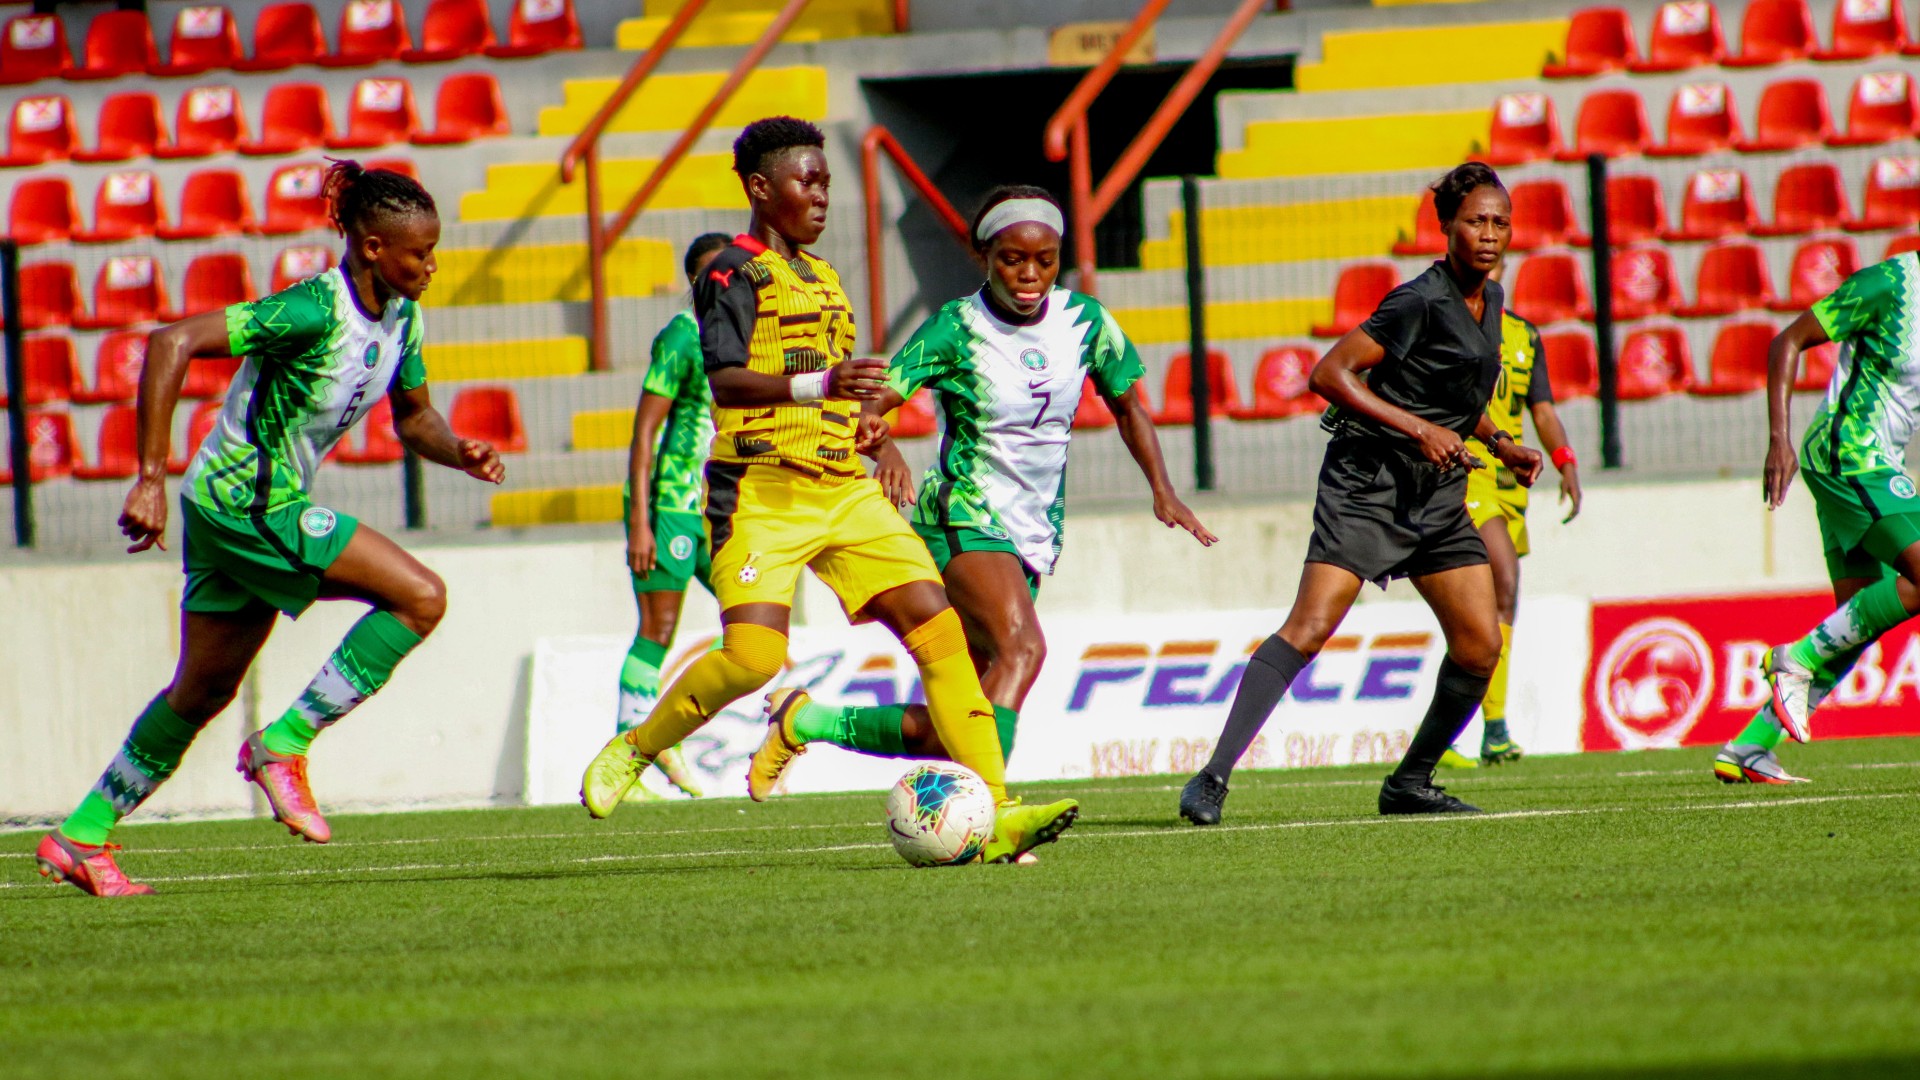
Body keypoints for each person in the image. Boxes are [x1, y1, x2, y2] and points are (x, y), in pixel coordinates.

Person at [578, 117, 1079, 863]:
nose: (820, 196)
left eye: (826, 182)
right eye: (805, 182)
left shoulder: (826, 280)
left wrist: (887, 443)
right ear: (759, 188)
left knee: (941, 637)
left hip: (844, 489)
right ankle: (640, 744)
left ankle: (998, 811)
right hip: (762, 490)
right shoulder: (731, 272)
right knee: (751, 658)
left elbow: (848, 395)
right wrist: (822, 384)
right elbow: (725, 382)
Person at [35, 161, 504, 897]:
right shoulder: (312, 311)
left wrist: (459, 450)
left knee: (201, 692)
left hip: (238, 506)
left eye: (434, 249)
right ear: (373, 247)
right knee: (420, 597)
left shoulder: (403, 318)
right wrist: (150, 477)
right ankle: (283, 745)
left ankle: (81, 835)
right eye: (419, 252)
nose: (432, 264)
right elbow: (169, 342)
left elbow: (415, 418)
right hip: (246, 501)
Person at [739, 184, 1215, 795]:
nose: (1030, 274)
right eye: (1013, 259)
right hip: (962, 515)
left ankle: (804, 719)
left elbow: (1128, 406)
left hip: (1035, 532)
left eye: (1045, 260)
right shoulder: (954, 328)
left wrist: (1163, 488)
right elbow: (872, 407)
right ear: (983, 257)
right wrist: (885, 447)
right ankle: (994, 812)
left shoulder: (1086, 321)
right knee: (1024, 649)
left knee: (956, 722)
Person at [1178, 162, 1542, 825]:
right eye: (1476, 221)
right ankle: (1212, 777)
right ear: (1446, 227)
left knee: (1480, 644)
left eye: (1501, 222)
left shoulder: (1489, 307)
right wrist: (1419, 429)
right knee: (1311, 629)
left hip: (1435, 494)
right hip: (1367, 484)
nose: (1490, 234)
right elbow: (1330, 372)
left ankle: (1411, 782)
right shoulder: (1418, 300)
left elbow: (1448, 395)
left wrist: (1497, 441)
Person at [1719, 248, 1920, 784]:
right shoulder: (1889, 285)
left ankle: (1750, 746)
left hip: (1878, 461)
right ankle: (1795, 659)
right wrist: (1777, 440)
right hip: (1848, 452)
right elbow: (1787, 340)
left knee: (1854, 620)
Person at [611, 232, 736, 802]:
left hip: (717, 511)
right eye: (713, 273)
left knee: (753, 623)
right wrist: (641, 521)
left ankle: (669, 733)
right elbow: (644, 434)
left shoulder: (733, 341)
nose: (725, 283)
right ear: (695, 281)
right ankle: (629, 757)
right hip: (670, 508)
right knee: (657, 631)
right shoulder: (682, 338)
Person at [1445, 254, 1582, 768]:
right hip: (1469, 471)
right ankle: (1490, 726)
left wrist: (1566, 460)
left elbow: (1541, 407)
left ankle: (1482, 728)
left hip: (1512, 482)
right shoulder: (1450, 326)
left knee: (1495, 604)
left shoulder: (1525, 335)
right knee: (1502, 581)